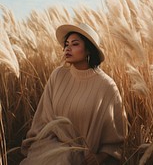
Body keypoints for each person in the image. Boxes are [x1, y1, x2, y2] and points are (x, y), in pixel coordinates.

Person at [20, 23, 127, 165]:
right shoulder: (58, 75)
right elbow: (43, 118)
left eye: (75, 44)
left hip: (83, 155)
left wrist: (100, 157)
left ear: (89, 50)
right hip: (49, 145)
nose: (67, 48)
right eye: (66, 44)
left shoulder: (106, 86)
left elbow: (115, 136)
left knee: (66, 159)